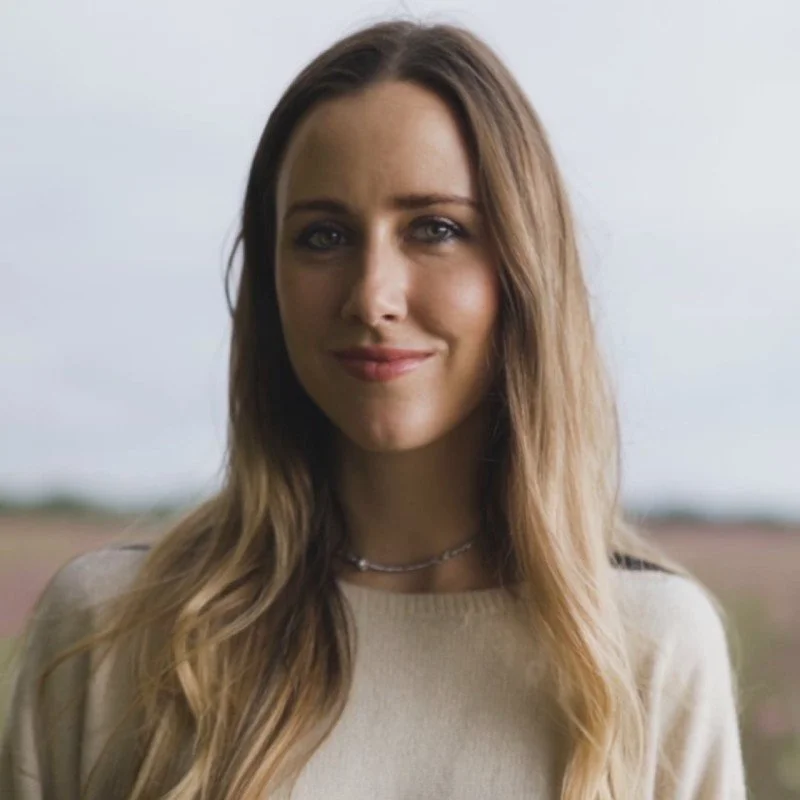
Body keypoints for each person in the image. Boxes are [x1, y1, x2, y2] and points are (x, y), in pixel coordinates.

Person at [0, 18, 747, 800]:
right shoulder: (112, 632)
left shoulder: (644, 651)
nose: (372, 296)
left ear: (523, 270)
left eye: (435, 229)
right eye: (323, 236)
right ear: (269, 283)